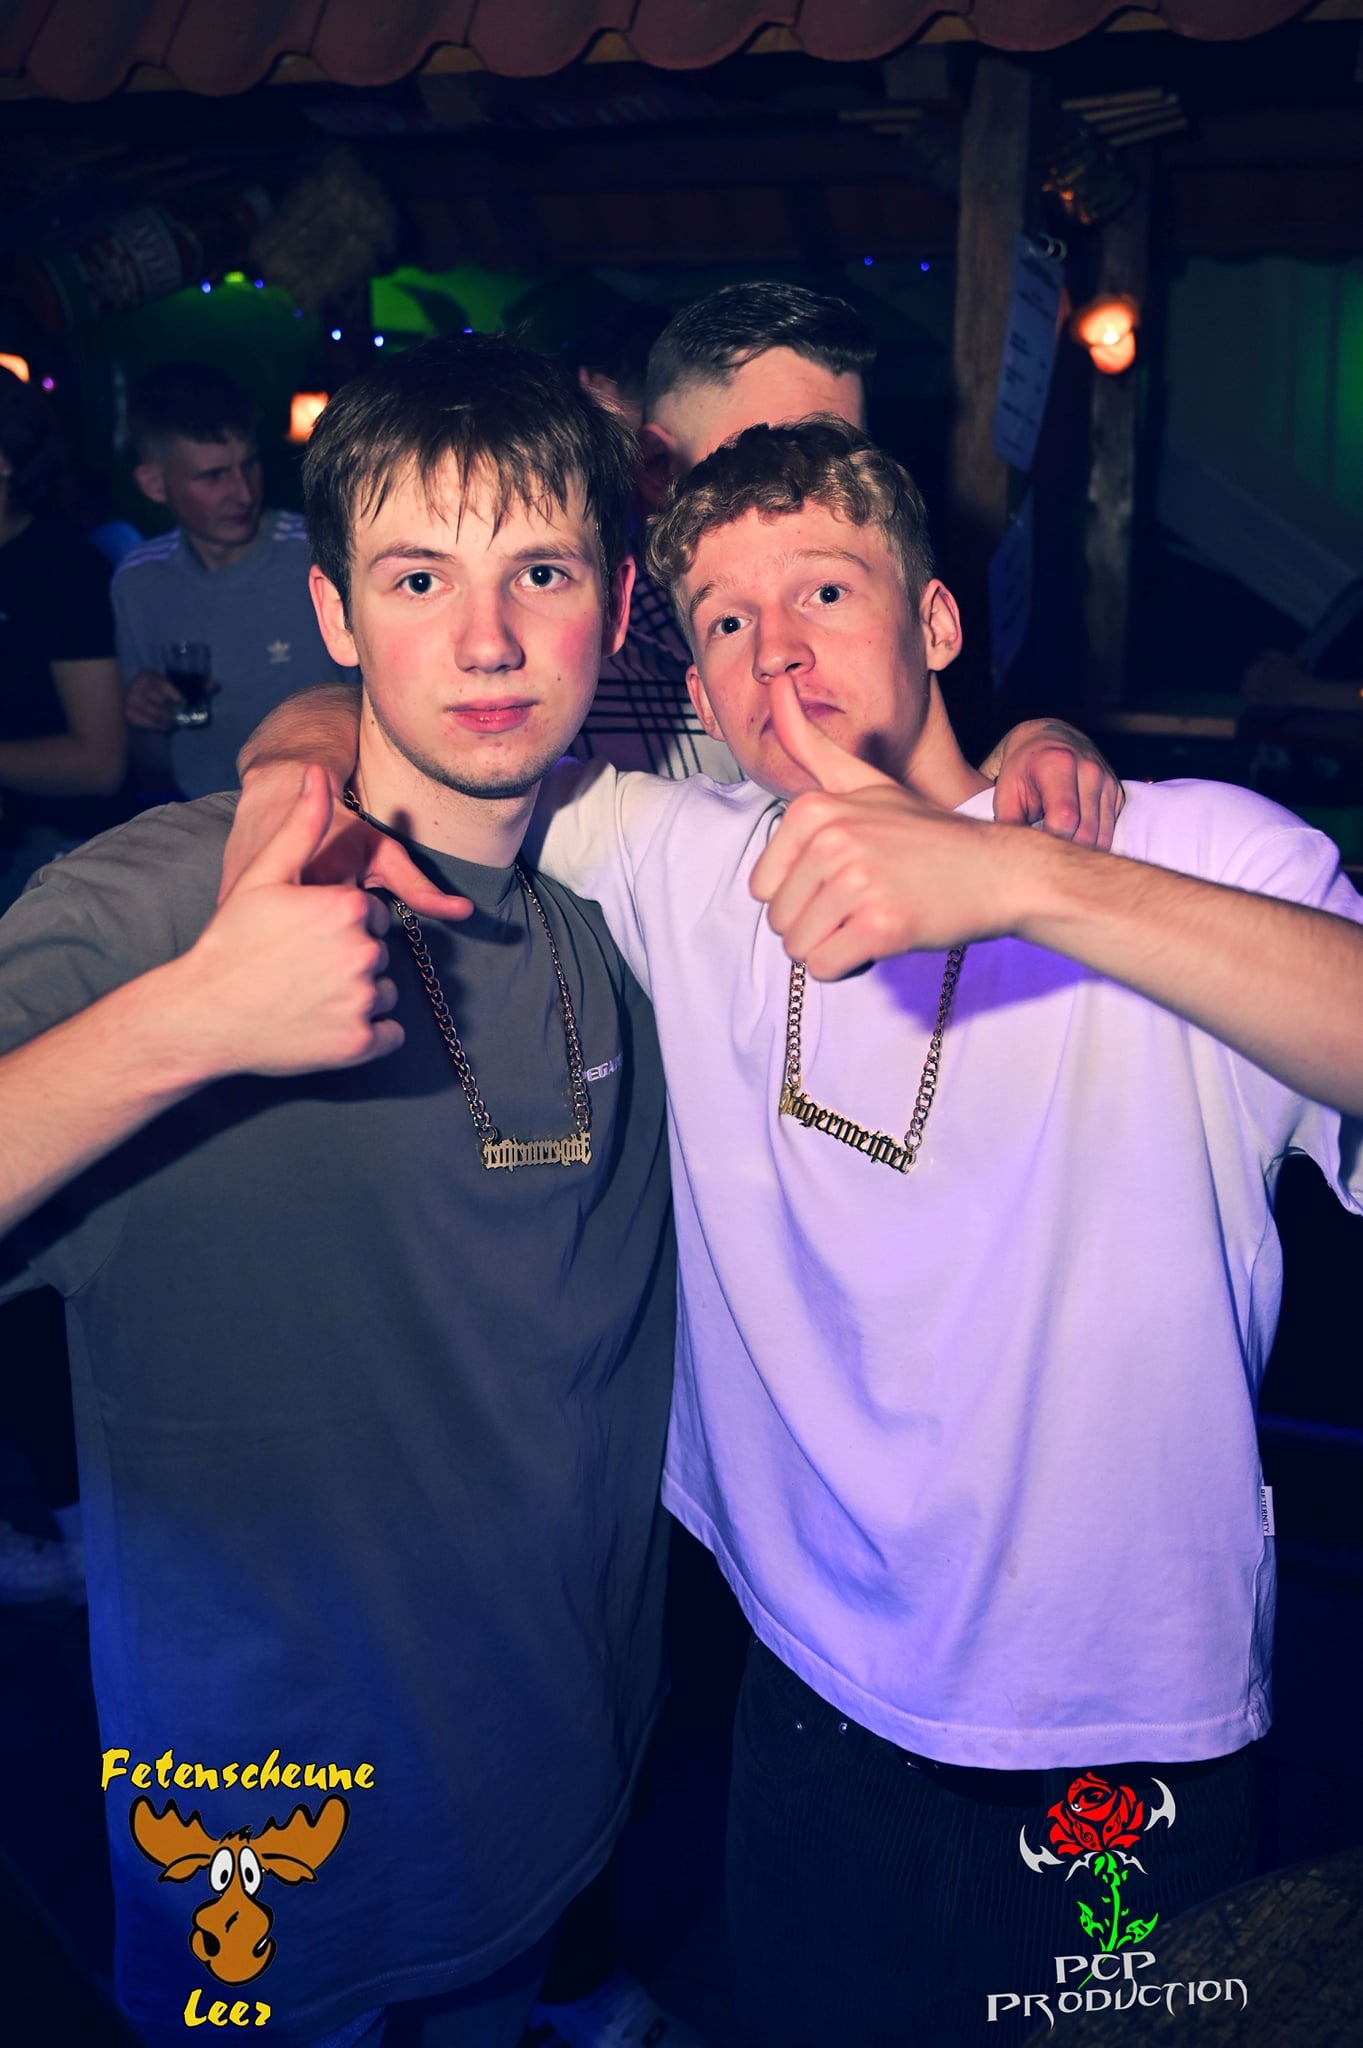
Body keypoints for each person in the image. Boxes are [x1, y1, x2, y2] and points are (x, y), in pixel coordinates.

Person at [234, 417, 1363, 2045]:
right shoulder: (677, 861)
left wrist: (1027, 884)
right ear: (693, 691)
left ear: (934, 622)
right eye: (724, 620)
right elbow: (422, 730)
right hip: (805, 1694)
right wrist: (286, 763)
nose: (774, 649)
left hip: (1112, 1726)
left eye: (824, 591)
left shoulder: (1184, 849)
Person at [0, 335, 677, 2048]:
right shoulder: (156, 909)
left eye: (540, 572)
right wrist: (190, 1023)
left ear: (615, 607)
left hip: (544, 1795)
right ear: (334, 610)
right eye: (418, 577)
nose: (485, 640)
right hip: (257, 1834)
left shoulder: (610, 931)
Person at [0, 366, 125, 1606]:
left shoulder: (56, 570)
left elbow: (96, 762)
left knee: (37, 1236)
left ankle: (89, 1525)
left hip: (40, 894)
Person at [112, 360, 354, 800]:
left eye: (250, 465)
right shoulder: (138, 581)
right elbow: (151, 764)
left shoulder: (316, 553)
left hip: (331, 809)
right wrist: (145, 719)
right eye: (214, 476)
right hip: (200, 819)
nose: (244, 492)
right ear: (154, 484)